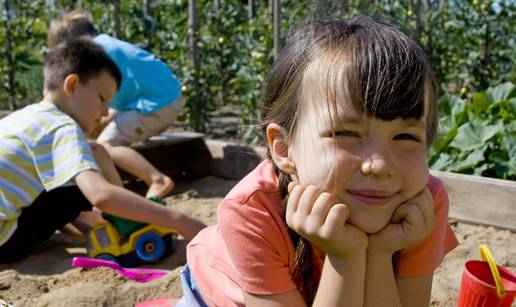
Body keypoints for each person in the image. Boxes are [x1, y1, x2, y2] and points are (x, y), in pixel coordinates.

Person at [179, 16, 459, 306]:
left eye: (405, 137)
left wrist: (380, 253)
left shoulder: (424, 204)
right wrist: (346, 258)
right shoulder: (252, 213)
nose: (379, 164)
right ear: (285, 148)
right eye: (347, 133)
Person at [0, 38, 205, 263]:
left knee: (92, 153)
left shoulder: (27, 117)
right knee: (90, 166)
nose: (106, 112)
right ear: (72, 86)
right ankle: (123, 224)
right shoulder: (63, 126)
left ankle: (117, 221)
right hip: (5, 243)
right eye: (102, 98)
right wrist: (179, 220)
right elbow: (101, 194)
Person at [47, 9, 184, 199]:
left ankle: (157, 180)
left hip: (155, 104)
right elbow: (116, 101)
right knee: (101, 136)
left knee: (103, 147)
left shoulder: (96, 55)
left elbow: (106, 101)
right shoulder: (106, 45)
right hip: (164, 98)